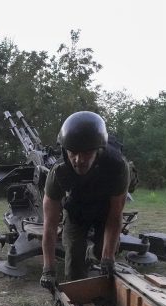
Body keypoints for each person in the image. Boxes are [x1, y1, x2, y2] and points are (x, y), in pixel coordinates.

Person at [39, 111, 130, 291]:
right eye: (73, 153)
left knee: (105, 252)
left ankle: (95, 255)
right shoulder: (58, 173)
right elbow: (49, 225)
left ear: (98, 150)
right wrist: (48, 269)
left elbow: (115, 215)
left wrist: (107, 257)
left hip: (105, 211)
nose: (79, 160)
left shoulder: (117, 167)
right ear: (66, 150)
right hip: (76, 212)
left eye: (87, 153)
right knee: (74, 261)